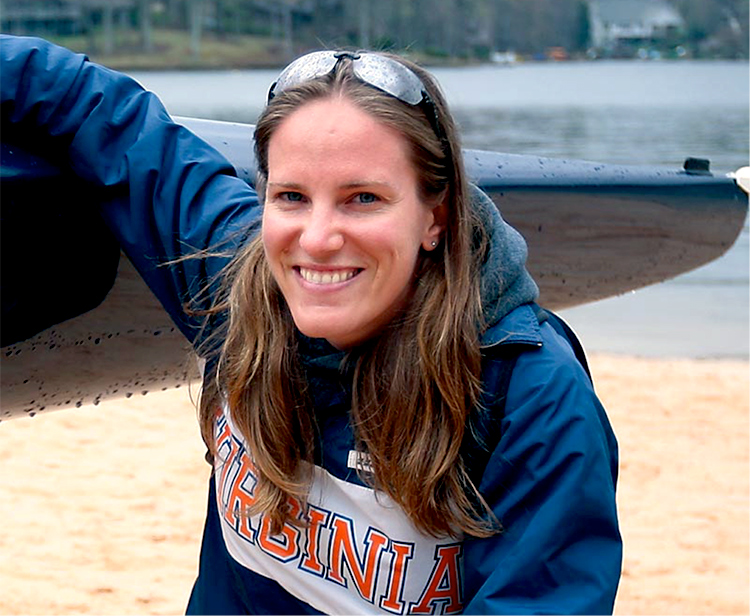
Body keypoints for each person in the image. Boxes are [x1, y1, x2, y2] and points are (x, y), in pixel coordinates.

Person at [1, 36, 622, 614]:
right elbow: (95, 110)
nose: (318, 240)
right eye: (291, 196)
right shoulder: (239, 281)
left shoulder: (529, 398)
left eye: (363, 198)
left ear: (437, 217)